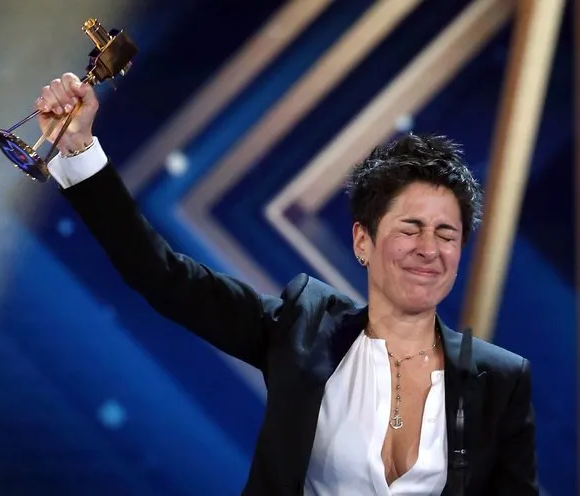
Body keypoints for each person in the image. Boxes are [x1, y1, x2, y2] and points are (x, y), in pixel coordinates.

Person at [34, 73, 539, 496]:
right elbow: (162, 275)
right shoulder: (304, 324)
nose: (429, 249)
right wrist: (79, 149)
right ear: (362, 241)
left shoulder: (498, 379)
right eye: (410, 228)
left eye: (446, 234)